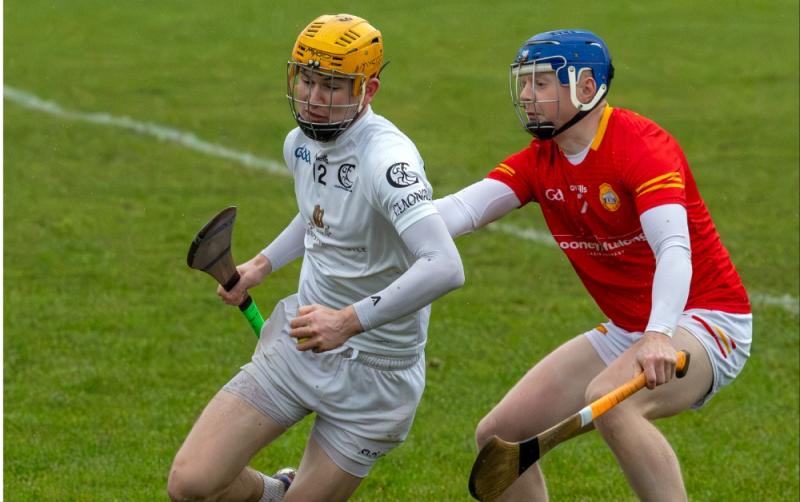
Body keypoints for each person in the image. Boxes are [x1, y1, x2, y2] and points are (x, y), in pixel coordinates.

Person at [434, 29, 752, 500]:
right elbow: (460, 211)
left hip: (704, 320)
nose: (526, 95)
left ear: (586, 88)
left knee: (612, 404)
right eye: (524, 83)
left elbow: (674, 250)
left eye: (542, 83)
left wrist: (659, 333)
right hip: (631, 327)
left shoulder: (643, 147)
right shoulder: (540, 160)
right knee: (499, 436)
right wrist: (379, 215)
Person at [167, 13, 464, 502]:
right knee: (192, 484)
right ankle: (277, 492)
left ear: (368, 90)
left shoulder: (387, 162)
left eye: (332, 85)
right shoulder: (300, 143)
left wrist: (348, 321)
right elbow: (317, 214)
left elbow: (444, 265)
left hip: (377, 374)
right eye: (307, 80)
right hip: (300, 340)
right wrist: (261, 265)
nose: (314, 98)